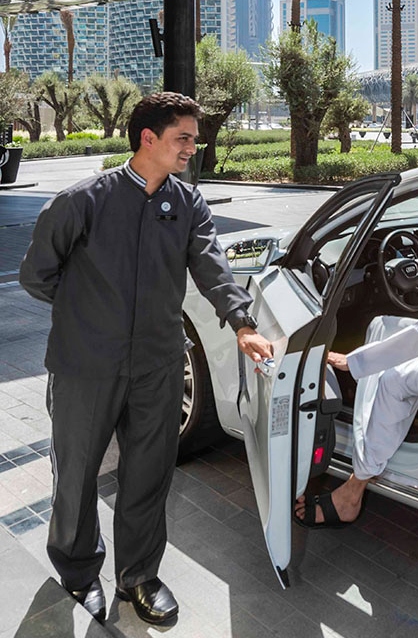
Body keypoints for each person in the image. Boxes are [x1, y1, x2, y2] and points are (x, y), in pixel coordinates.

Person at [19, 92, 273, 625]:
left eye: (193, 138)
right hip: (85, 366)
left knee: (148, 474)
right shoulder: (83, 200)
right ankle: (78, 572)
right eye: (183, 137)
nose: (192, 147)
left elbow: (211, 267)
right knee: (77, 476)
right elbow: (36, 275)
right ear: (148, 138)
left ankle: (138, 576)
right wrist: (88, 315)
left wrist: (243, 323)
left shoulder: (187, 203)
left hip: (158, 365)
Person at [295, 187, 418, 527]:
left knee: (392, 380)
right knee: (381, 324)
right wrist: (363, 359)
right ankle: (367, 435)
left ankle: (355, 486)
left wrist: (354, 362)